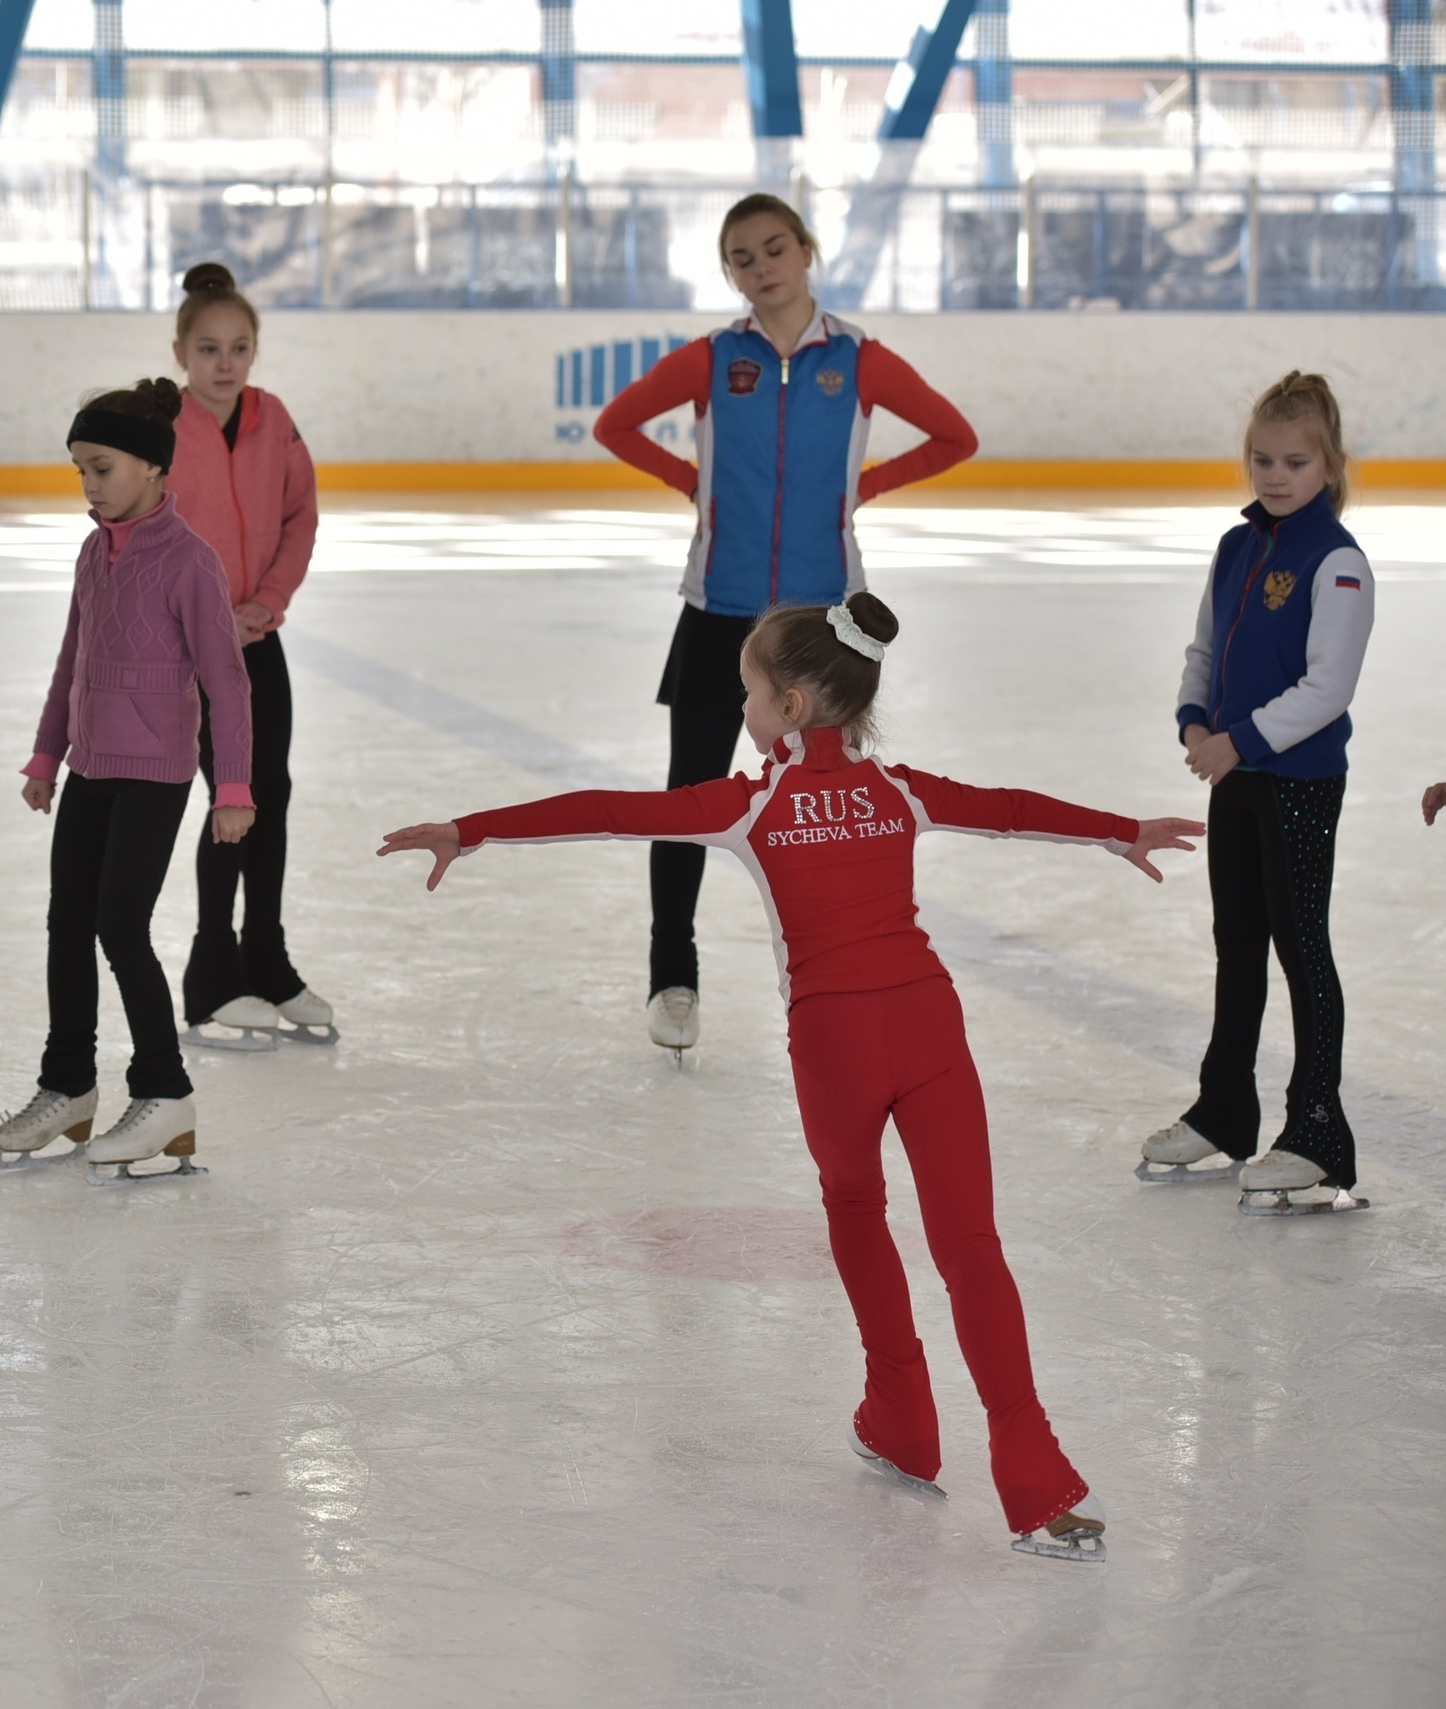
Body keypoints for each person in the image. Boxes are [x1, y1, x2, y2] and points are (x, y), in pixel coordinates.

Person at [379, 592, 1203, 1563]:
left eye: (749, 693)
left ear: (793, 706)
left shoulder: (747, 803)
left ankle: (902, 1418)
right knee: (971, 1246)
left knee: (856, 1211)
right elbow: (1011, 810)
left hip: (836, 1041)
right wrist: (1120, 829)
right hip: (930, 1025)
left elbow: (605, 812)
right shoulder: (899, 788)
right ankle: (1038, 1477)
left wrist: (469, 828)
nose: (742, 709)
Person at [593, 192, 977, 1058]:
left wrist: (861, 489)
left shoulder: (861, 360)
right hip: (717, 611)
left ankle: (845, 965)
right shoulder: (711, 358)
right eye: (743, 257)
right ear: (729, 273)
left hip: (821, 621)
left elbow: (956, 437)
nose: (762, 267)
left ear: (807, 251)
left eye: (775, 248)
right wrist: (690, 482)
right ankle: (672, 974)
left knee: (834, 803)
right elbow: (615, 424)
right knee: (688, 797)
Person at [0, 379, 256, 1181]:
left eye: (101, 468)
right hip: (90, 767)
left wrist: (233, 788)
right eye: (80, 470)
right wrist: (47, 755)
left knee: (120, 926)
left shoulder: (190, 562)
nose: (89, 484)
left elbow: (227, 682)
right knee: (66, 924)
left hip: (155, 774)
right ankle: (68, 1083)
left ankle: (165, 1093)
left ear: (151, 467)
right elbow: (71, 661)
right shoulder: (92, 552)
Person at [1140, 373, 1375, 1215]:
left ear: (1330, 465)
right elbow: (1206, 648)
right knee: (1236, 942)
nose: (1276, 476)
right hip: (1235, 774)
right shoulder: (1237, 546)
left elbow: (1329, 687)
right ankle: (1225, 1108)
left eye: (1296, 462)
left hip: (1298, 782)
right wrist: (1195, 723)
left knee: (1301, 947)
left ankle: (1318, 1133)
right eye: (1262, 460)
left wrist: (1238, 740)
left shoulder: (1337, 562)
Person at [161, 262, 333, 1049]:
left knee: (273, 792)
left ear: (254, 350)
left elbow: (300, 516)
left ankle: (265, 955)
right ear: (180, 353)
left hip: (259, 637)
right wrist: (203, 619)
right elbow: (141, 531)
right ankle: (211, 972)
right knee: (232, 797)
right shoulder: (162, 427)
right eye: (208, 349)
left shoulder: (274, 419)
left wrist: (267, 602)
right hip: (188, 652)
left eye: (238, 347)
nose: (224, 363)